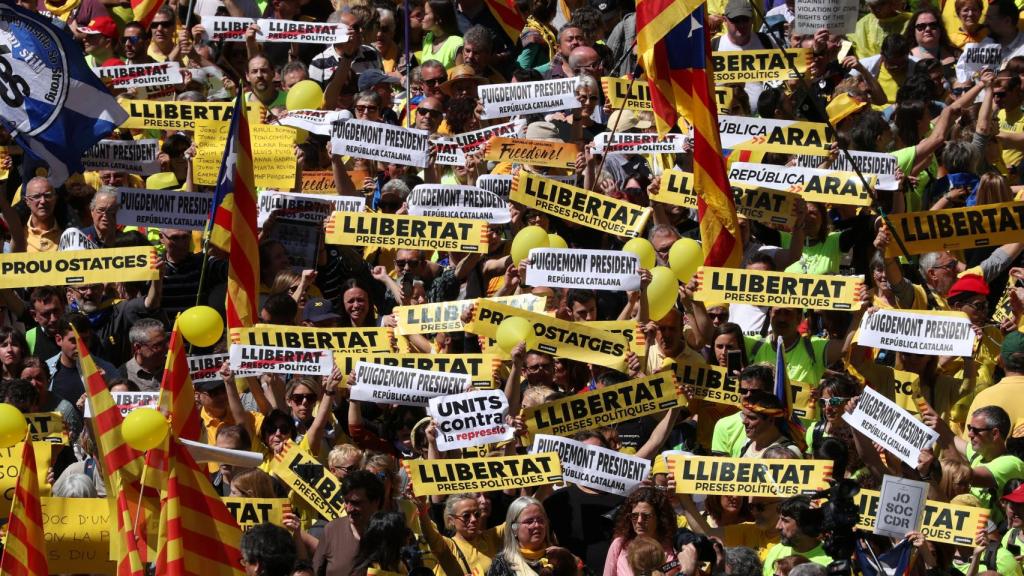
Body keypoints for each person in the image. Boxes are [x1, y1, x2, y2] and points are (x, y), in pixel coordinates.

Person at [313, 471, 385, 576]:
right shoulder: (332, 530)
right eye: (346, 502)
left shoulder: (389, 534)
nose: (348, 509)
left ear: (375, 502)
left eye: (356, 503)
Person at [762, 497, 832, 576]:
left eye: (785, 521)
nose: (778, 526)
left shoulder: (830, 560)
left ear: (804, 525)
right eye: (779, 519)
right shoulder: (776, 551)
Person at [486, 497, 554, 576]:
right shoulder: (501, 565)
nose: (537, 525)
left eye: (540, 520)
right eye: (529, 521)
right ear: (514, 528)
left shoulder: (559, 557)